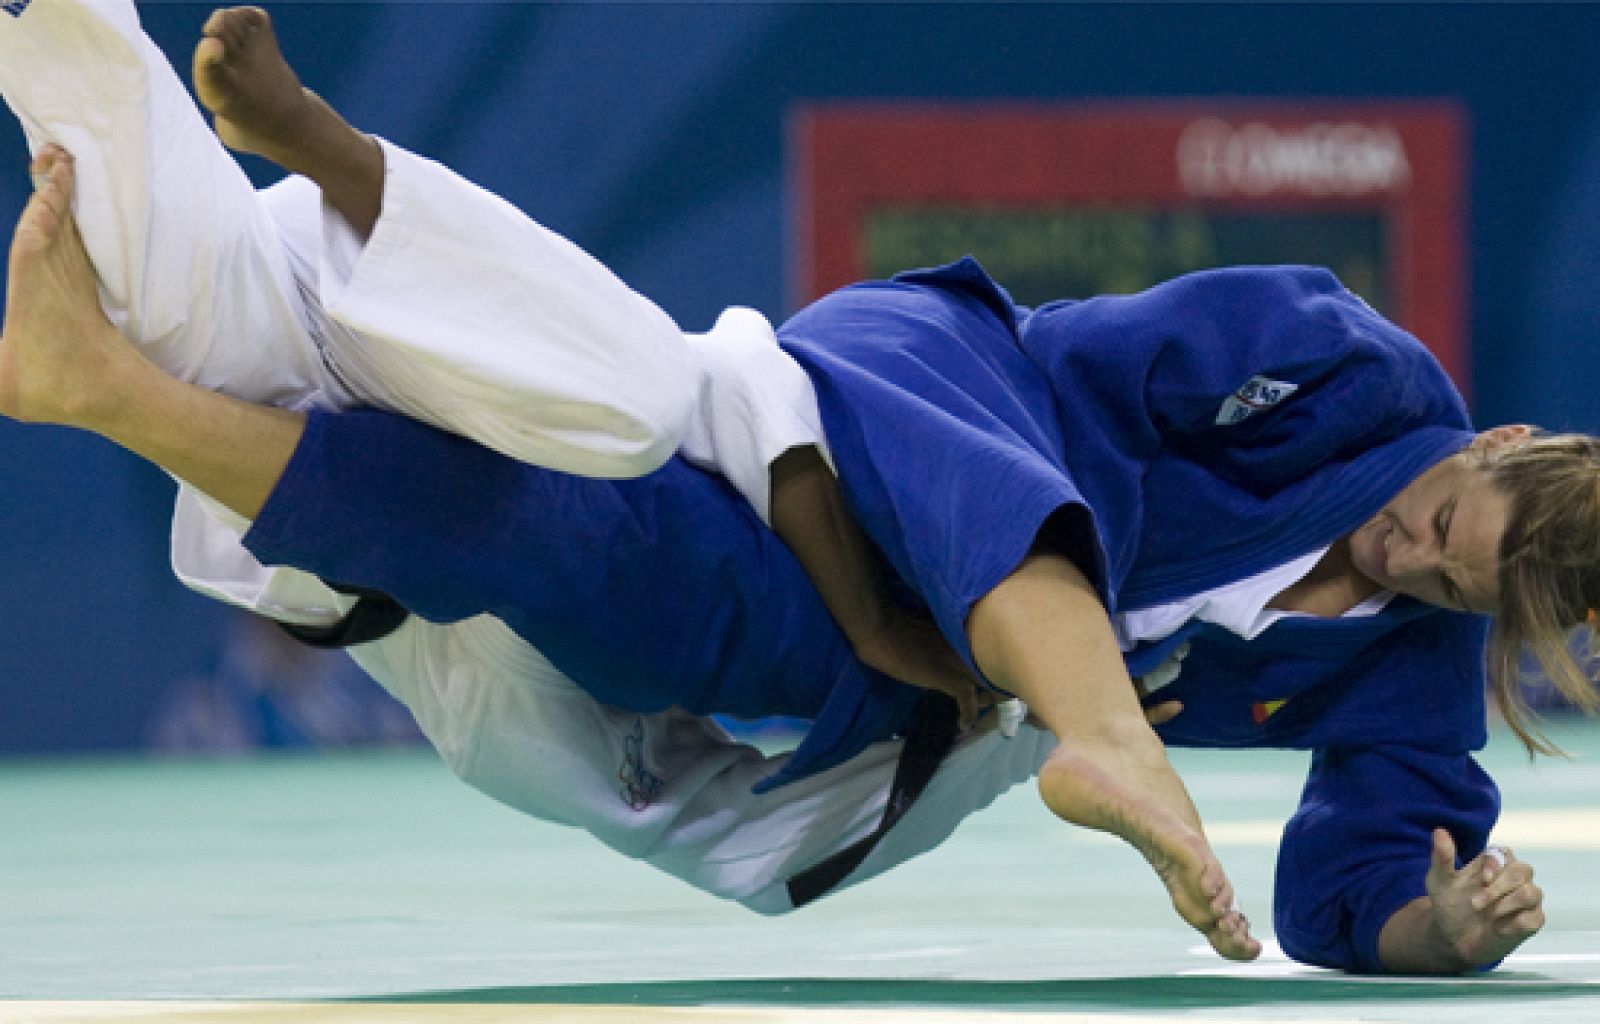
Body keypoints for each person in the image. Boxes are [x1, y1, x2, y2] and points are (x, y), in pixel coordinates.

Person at [0, 0, 1567, 973]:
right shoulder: (1340, 364)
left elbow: (1369, 870)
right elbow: (1066, 374)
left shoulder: (1411, 668)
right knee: (613, 424)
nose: (1408, 556)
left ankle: (135, 149)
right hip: (914, 414)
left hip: (862, 660)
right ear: (1497, 441)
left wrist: (1433, 932)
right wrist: (1063, 669)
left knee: (370, 372)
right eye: (1442, 520)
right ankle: (254, 256)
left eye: (1452, 587)